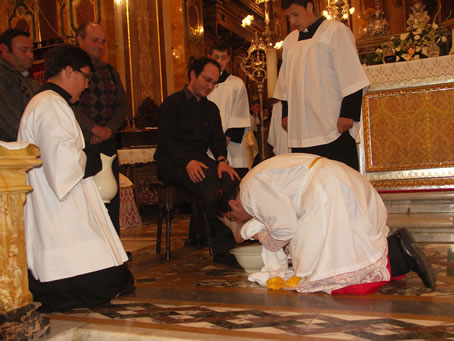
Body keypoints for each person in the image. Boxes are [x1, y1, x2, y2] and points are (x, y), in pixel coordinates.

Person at [17, 44, 134, 313]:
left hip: (60, 199)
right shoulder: (49, 105)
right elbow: (62, 164)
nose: (86, 85)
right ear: (68, 71)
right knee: (103, 283)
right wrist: (90, 158)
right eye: (85, 76)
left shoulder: (51, 103)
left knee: (115, 277)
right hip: (57, 205)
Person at [216, 154, 436, 294]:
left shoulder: (248, 192)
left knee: (333, 277)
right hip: (337, 176)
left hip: (325, 189)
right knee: (354, 247)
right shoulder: (254, 178)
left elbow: (286, 228)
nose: (241, 220)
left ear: (234, 204)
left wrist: (263, 238)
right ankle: (398, 250)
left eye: (234, 217)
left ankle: (401, 254)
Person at [154, 57, 241, 267]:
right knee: (208, 183)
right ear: (193, 74)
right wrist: (187, 162)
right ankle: (223, 249)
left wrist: (221, 160)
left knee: (229, 177)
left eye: (214, 83)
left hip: (198, 159)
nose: (210, 87)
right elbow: (166, 142)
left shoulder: (211, 109)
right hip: (171, 161)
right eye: (207, 80)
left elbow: (217, 139)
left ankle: (237, 233)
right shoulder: (172, 103)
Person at [276, 0, 370, 170]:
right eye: (288, 17)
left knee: (339, 178)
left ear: (309, 6)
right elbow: (285, 82)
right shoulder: (290, 41)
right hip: (301, 128)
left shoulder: (335, 31)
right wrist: (286, 112)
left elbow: (351, 73)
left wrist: (348, 113)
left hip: (333, 124)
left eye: (295, 14)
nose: (292, 22)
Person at [74, 22, 129, 235]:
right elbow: (68, 106)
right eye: (95, 40)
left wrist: (107, 130)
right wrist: (92, 129)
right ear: (80, 40)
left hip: (107, 140)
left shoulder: (110, 71)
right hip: (81, 142)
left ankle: (113, 243)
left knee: (110, 194)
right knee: (86, 196)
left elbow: (123, 105)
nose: (100, 45)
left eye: (103, 42)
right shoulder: (71, 71)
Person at [207, 40, 252, 178]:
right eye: (216, 57)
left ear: (229, 59)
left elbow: (240, 115)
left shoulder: (236, 83)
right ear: (209, 57)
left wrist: (223, 140)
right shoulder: (204, 85)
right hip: (207, 146)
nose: (219, 61)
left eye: (223, 58)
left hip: (231, 144)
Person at [0, 28, 40, 142]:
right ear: (5, 50)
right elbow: (7, 117)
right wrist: (36, 139)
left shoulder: (26, 77)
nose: (30, 55)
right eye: (24, 50)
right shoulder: (3, 75)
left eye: (31, 50)